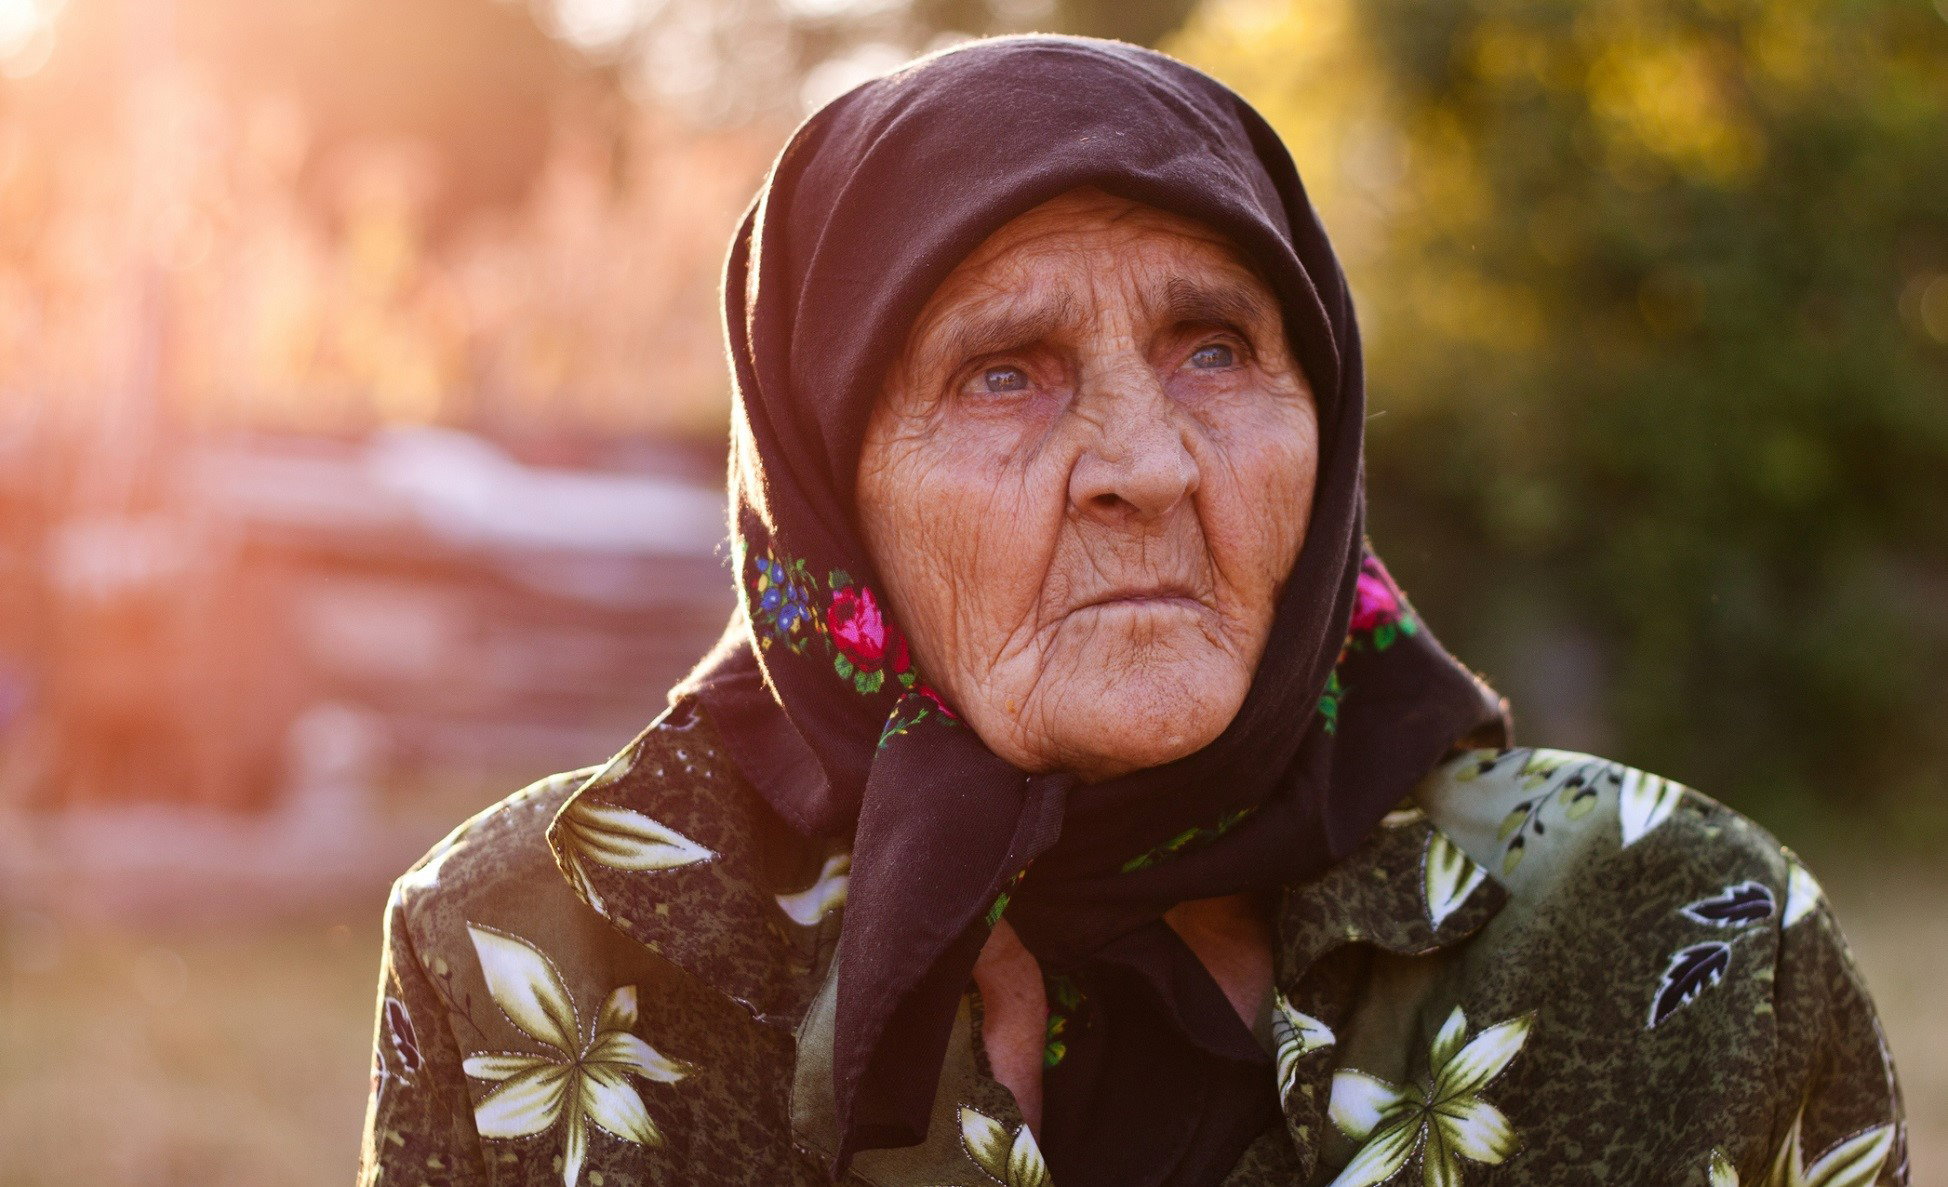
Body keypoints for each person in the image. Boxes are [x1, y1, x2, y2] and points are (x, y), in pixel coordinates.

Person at [356, 35, 1907, 1187]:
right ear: (831, 477)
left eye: (1217, 350)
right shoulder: (530, 949)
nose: (1147, 468)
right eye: (1002, 371)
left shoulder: (1679, 937)